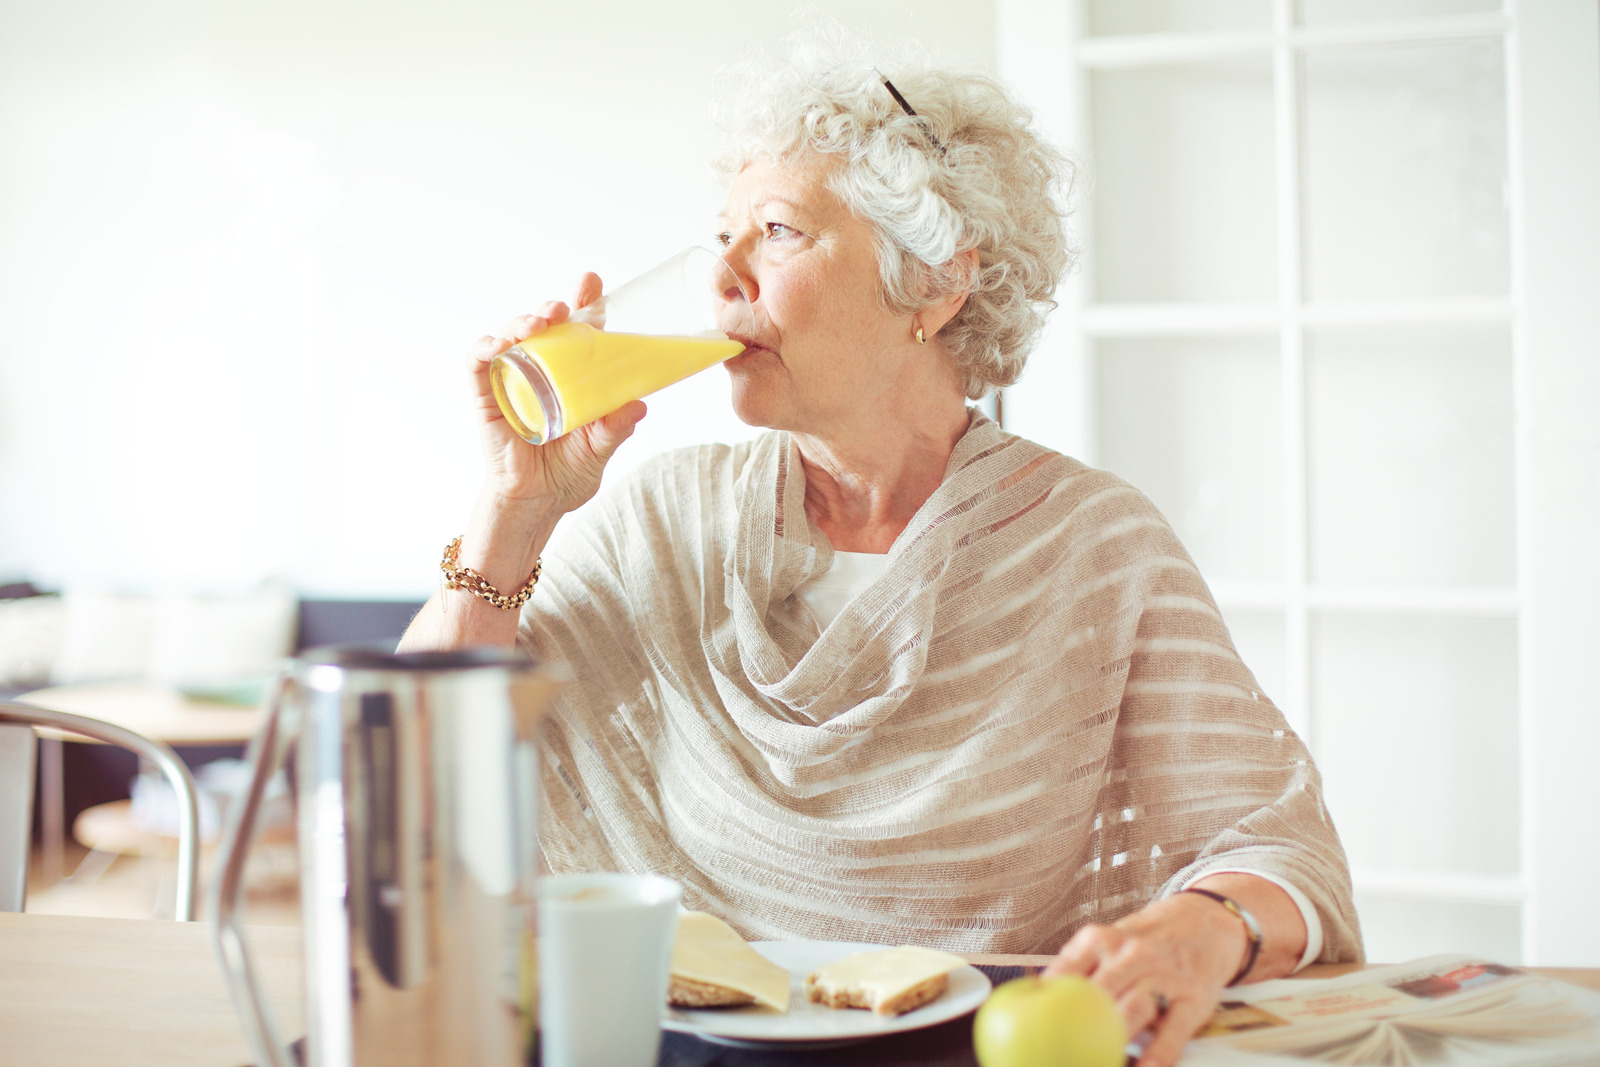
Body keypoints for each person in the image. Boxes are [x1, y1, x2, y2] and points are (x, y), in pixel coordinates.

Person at [400, 22, 1361, 1066]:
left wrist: (1198, 926)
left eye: (775, 231)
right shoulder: (664, 520)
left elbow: (1277, 845)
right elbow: (409, 766)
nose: (721, 278)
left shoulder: (1095, 547)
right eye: (719, 234)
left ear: (938, 283)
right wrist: (514, 509)